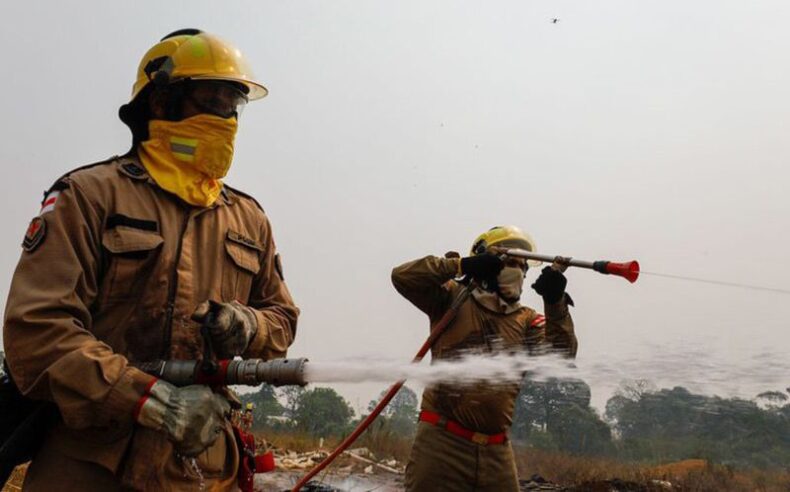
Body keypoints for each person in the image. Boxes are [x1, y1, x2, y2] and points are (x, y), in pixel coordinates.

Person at [2, 29, 299, 491]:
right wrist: (148, 400)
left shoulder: (248, 218)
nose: (226, 118)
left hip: (200, 469)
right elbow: (37, 330)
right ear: (161, 103)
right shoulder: (90, 196)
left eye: (233, 105)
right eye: (212, 100)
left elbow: (281, 321)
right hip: (91, 460)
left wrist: (249, 325)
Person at [391, 225, 577, 492]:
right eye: (510, 262)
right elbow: (403, 277)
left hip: (496, 450)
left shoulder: (526, 319)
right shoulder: (451, 297)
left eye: (522, 266)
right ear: (487, 263)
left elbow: (561, 357)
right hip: (443, 443)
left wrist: (555, 302)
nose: (518, 271)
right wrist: (459, 265)